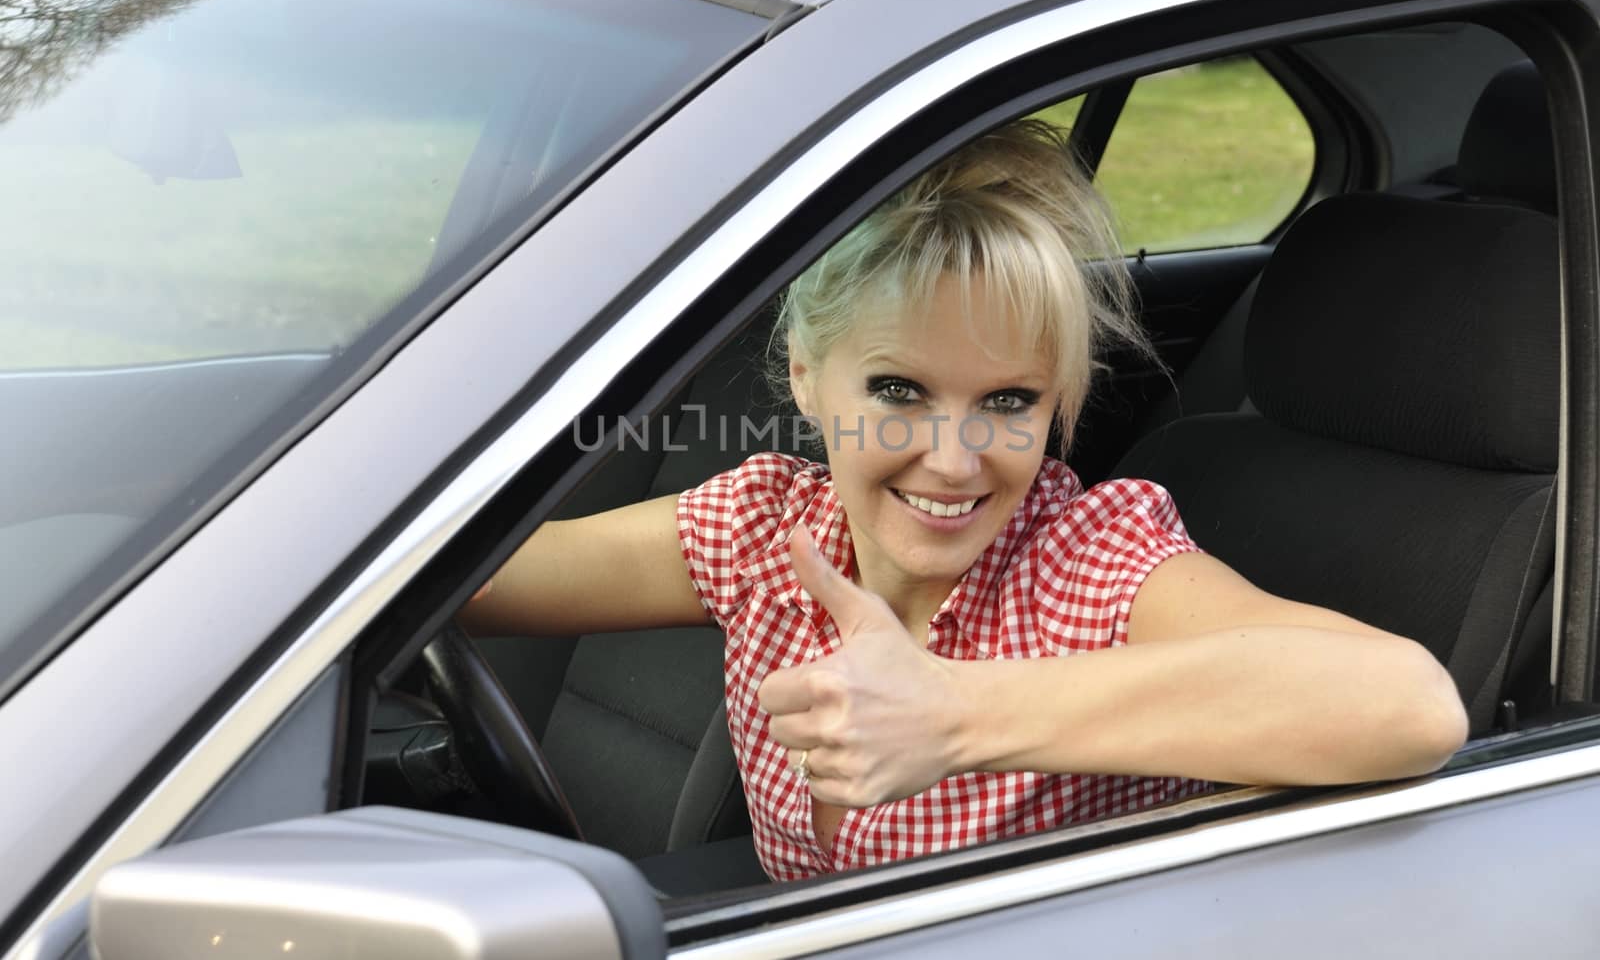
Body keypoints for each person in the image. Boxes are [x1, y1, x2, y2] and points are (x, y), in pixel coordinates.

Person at [463, 119, 1468, 882]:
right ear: (809, 378)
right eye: (899, 391)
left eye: (1007, 401)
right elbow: (445, 581)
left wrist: (952, 713)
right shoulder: (764, 528)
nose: (953, 461)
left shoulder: (1089, 559)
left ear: (1060, 403)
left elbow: (1405, 705)